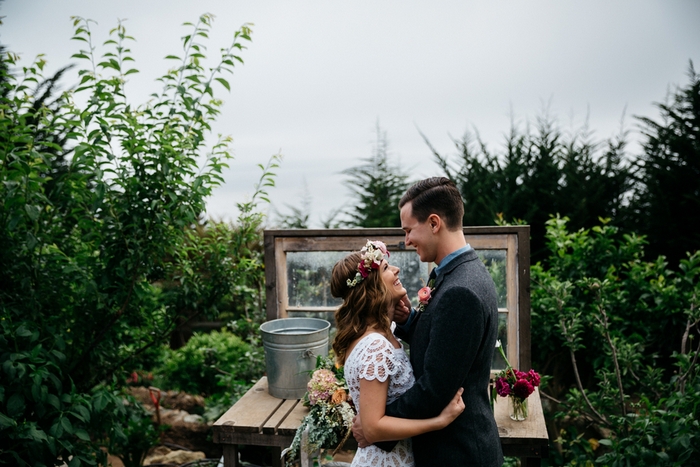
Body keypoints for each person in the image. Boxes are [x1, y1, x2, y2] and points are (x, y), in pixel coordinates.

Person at [353, 177, 504, 466]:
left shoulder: (460, 291)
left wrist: (374, 426)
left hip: (457, 453)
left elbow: (434, 391)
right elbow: (448, 344)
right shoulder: (464, 272)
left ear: (434, 223)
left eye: (409, 230)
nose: (406, 240)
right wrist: (410, 320)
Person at [330, 239, 466, 467]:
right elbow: (372, 429)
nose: (396, 269)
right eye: (385, 268)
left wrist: (404, 315)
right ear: (371, 288)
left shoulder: (382, 332)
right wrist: (439, 422)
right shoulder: (376, 347)